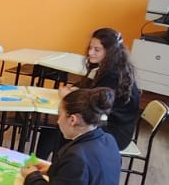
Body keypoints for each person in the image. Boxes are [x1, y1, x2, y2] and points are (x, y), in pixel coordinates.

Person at [34, 27, 142, 158]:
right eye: (90, 47)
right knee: (55, 125)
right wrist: (74, 89)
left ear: (110, 52)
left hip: (115, 133)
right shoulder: (106, 68)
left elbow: (92, 104)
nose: (90, 52)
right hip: (105, 121)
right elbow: (87, 86)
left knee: (62, 127)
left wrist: (68, 96)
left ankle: (54, 164)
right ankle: (42, 162)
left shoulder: (113, 75)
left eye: (97, 50)